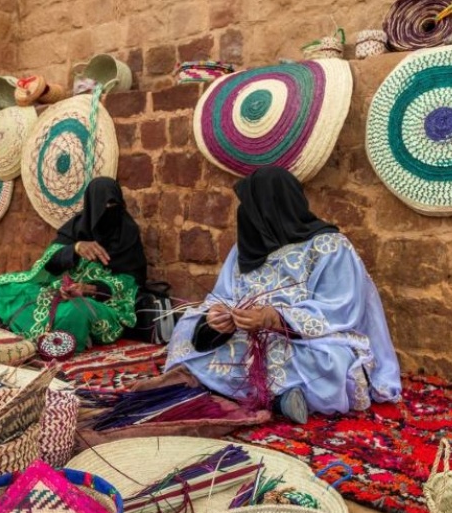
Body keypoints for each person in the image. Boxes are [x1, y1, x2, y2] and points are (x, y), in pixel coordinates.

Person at [165, 166, 402, 423]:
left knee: (332, 361)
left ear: (269, 208)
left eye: (251, 206)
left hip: (307, 340)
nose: (244, 214)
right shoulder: (245, 247)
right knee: (187, 327)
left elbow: (341, 309)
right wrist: (217, 317)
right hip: (246, 336)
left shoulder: (330, 246)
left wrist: (275, 318)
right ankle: (278, 397)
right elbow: (222, 296)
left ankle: (242, 391)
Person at [0, 177, 146, 352]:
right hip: (64, 290)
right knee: (4, 288)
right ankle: (55, 330)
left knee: (75, 311)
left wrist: (90, 289)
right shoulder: (77, 226)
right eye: (102, 206)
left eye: (113, 204)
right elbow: (50, 263)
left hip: (104, 302)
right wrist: (75, 248)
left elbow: (132, 280)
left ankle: (49, 334)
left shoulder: (127, 234)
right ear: (91, 206)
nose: (108, 210)